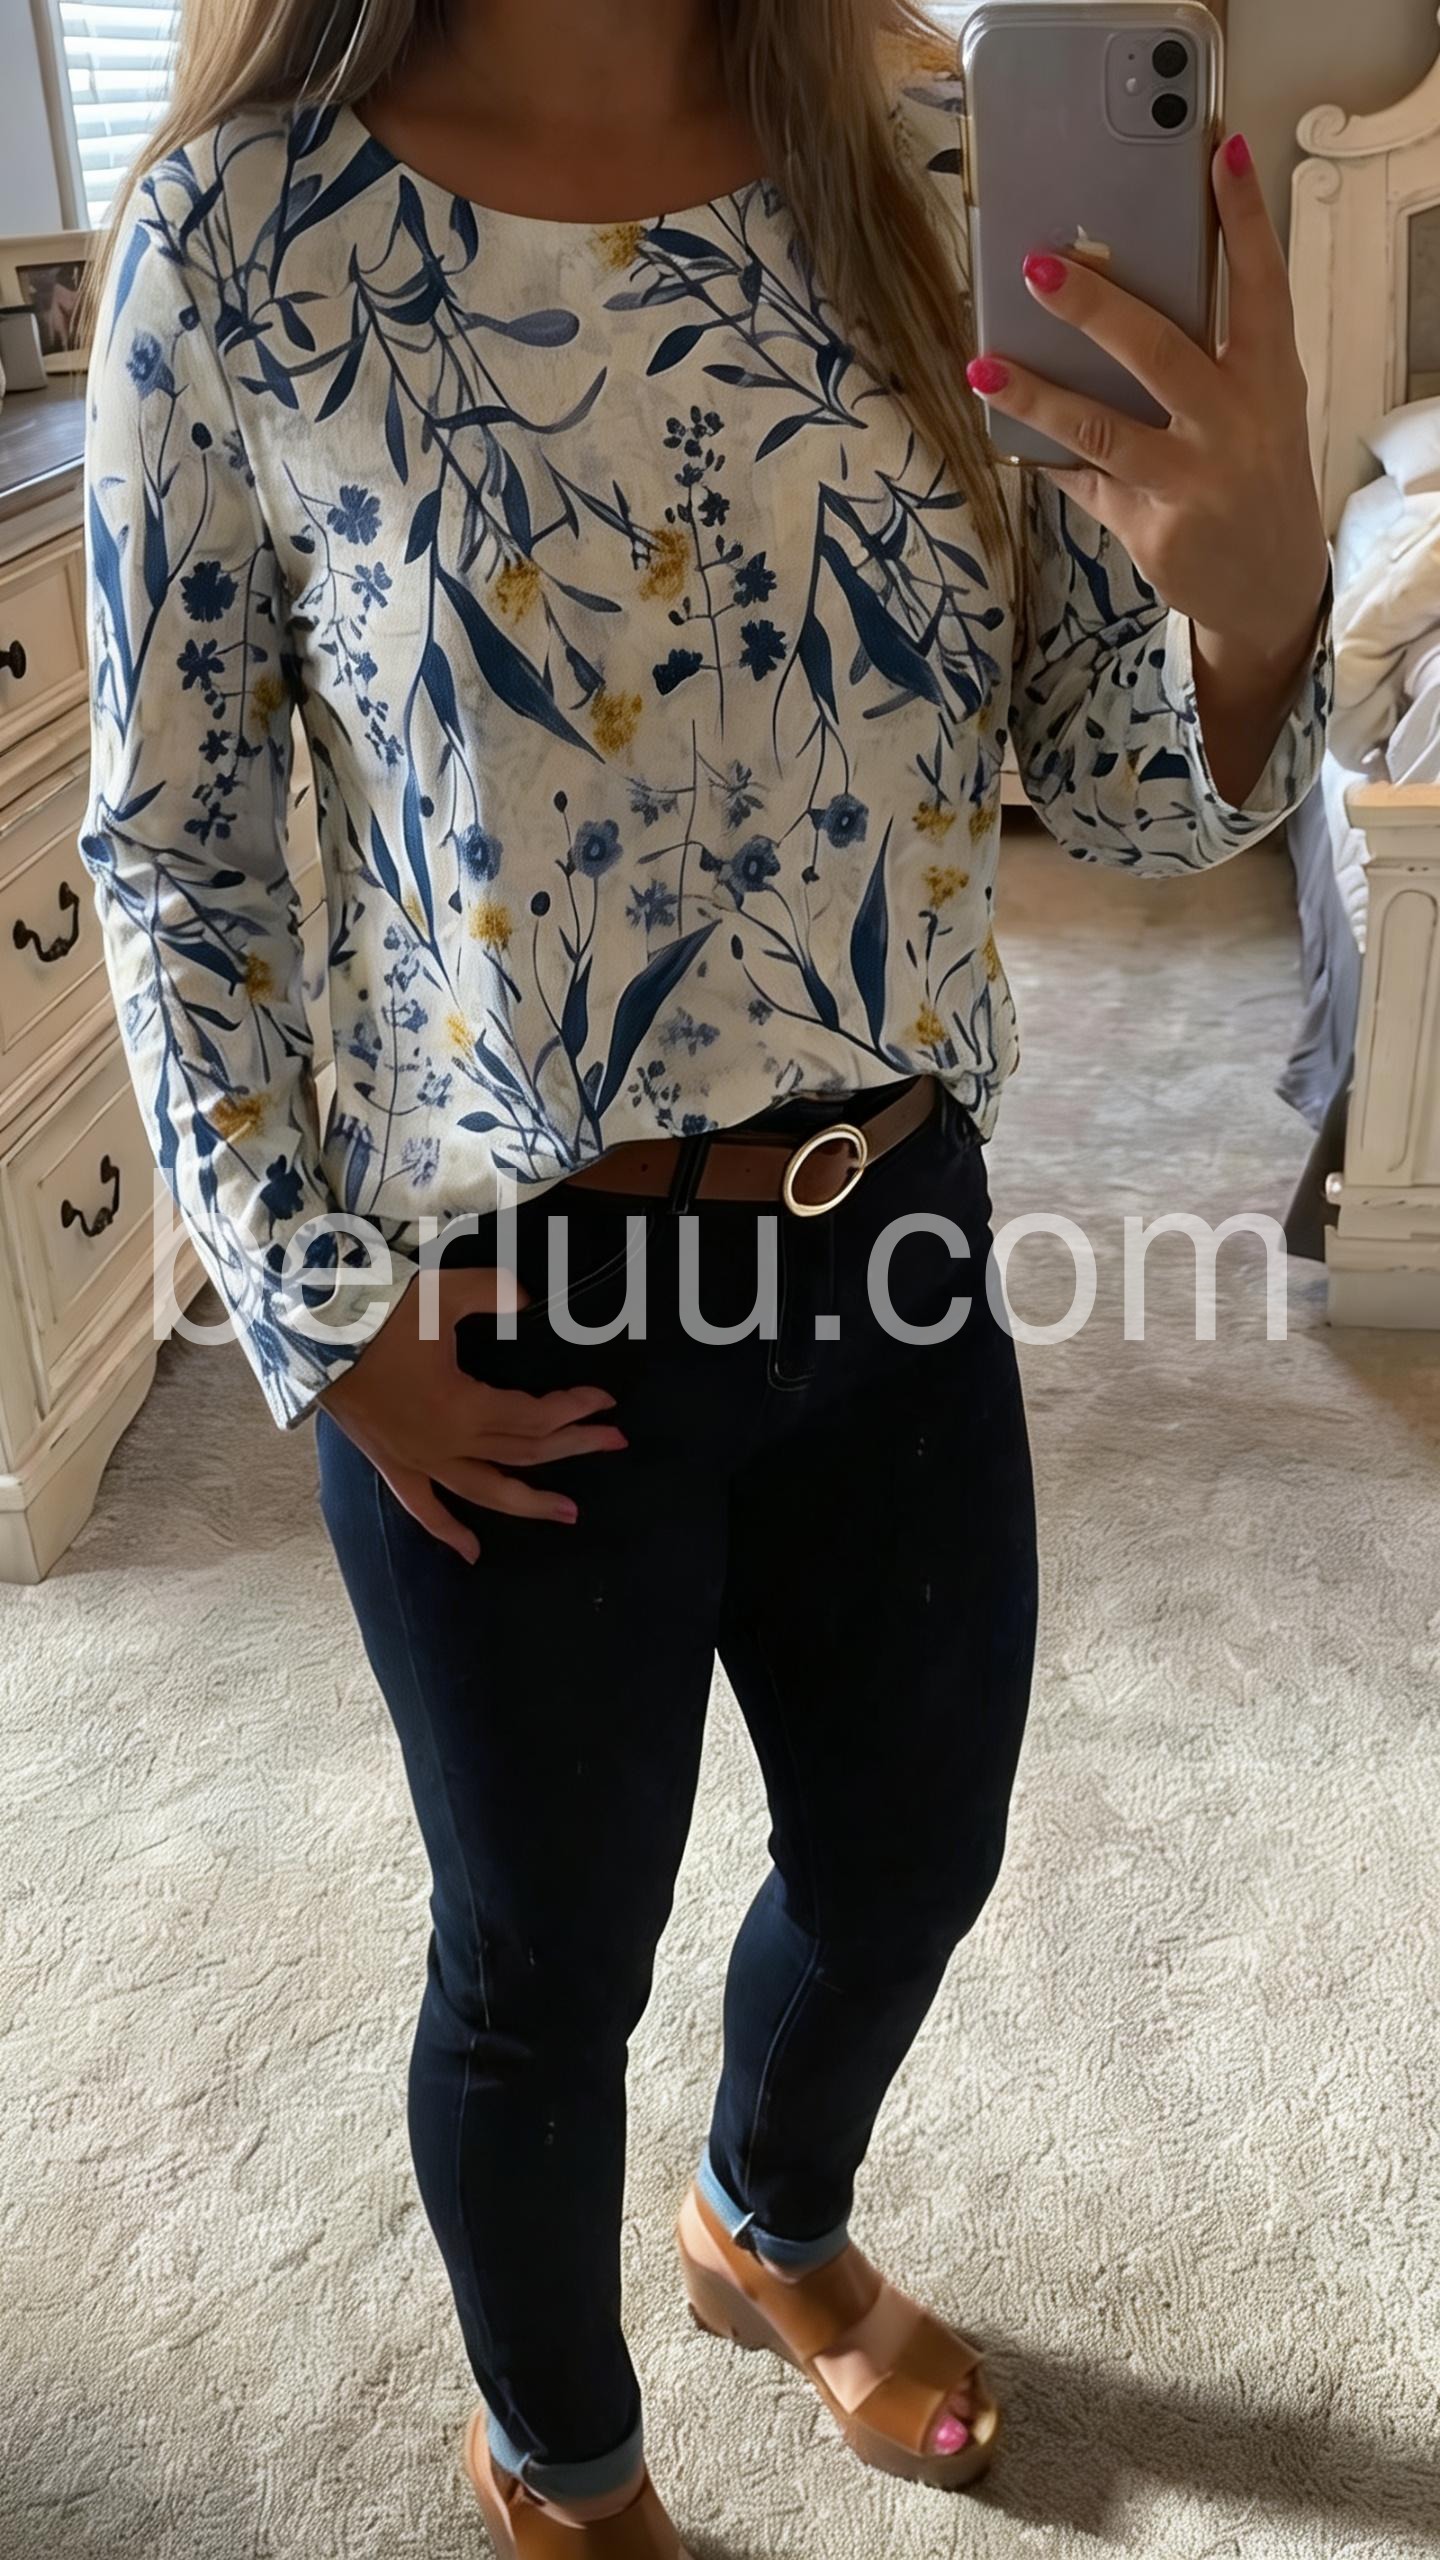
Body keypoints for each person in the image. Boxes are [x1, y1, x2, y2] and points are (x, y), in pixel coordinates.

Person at [78, 2, 1334, 2550]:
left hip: (891, 1244)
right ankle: (563, 2470)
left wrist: (1260, 601)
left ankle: (764, 2213)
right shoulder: (239, 239)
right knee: (541, 1965)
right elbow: (177, 857)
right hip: (499, 1314)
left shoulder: (927, 167)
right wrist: (315, 1314)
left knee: (912, 1859)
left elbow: (1112, 785)